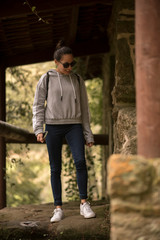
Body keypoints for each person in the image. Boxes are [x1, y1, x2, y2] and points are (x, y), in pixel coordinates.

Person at [32, 40, 96, 223]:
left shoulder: (77, 80)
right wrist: (38, 129)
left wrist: (87, 134)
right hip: (52, 126)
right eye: (65, 64)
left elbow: (84, 109)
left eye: (72, 64)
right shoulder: (47, 78)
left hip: (74, 124)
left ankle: (84, 203)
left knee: (80, 161)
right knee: (55, 168)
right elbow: (37, 105)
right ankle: (58, 208)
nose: (69, 67)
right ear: (56, 62)